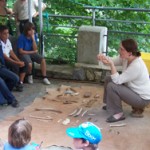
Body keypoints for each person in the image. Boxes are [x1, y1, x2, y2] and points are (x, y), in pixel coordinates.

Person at [97, 38, 150, 123]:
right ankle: (110, 104)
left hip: (142, 99)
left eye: (121, 49)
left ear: (130, 53)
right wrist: (103, 58)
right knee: (108, 79)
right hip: (134, 91)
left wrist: (111, 65)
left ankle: (118, 114)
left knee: (112, 86)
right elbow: (111, 60)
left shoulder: (136, 65)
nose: (119, 51)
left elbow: (117, 80)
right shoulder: (126, 58)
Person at [0, 25, 27, 91]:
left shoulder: (8, 41)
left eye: (7, 33)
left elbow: (11, 52)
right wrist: (17, 63)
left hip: (9, 57)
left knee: (24, 64)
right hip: (3, 60)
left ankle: (20, 82)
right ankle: (15, 83)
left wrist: (19, 61)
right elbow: (4, 56)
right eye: (4, 33)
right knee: (15, 66)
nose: (7, 35)